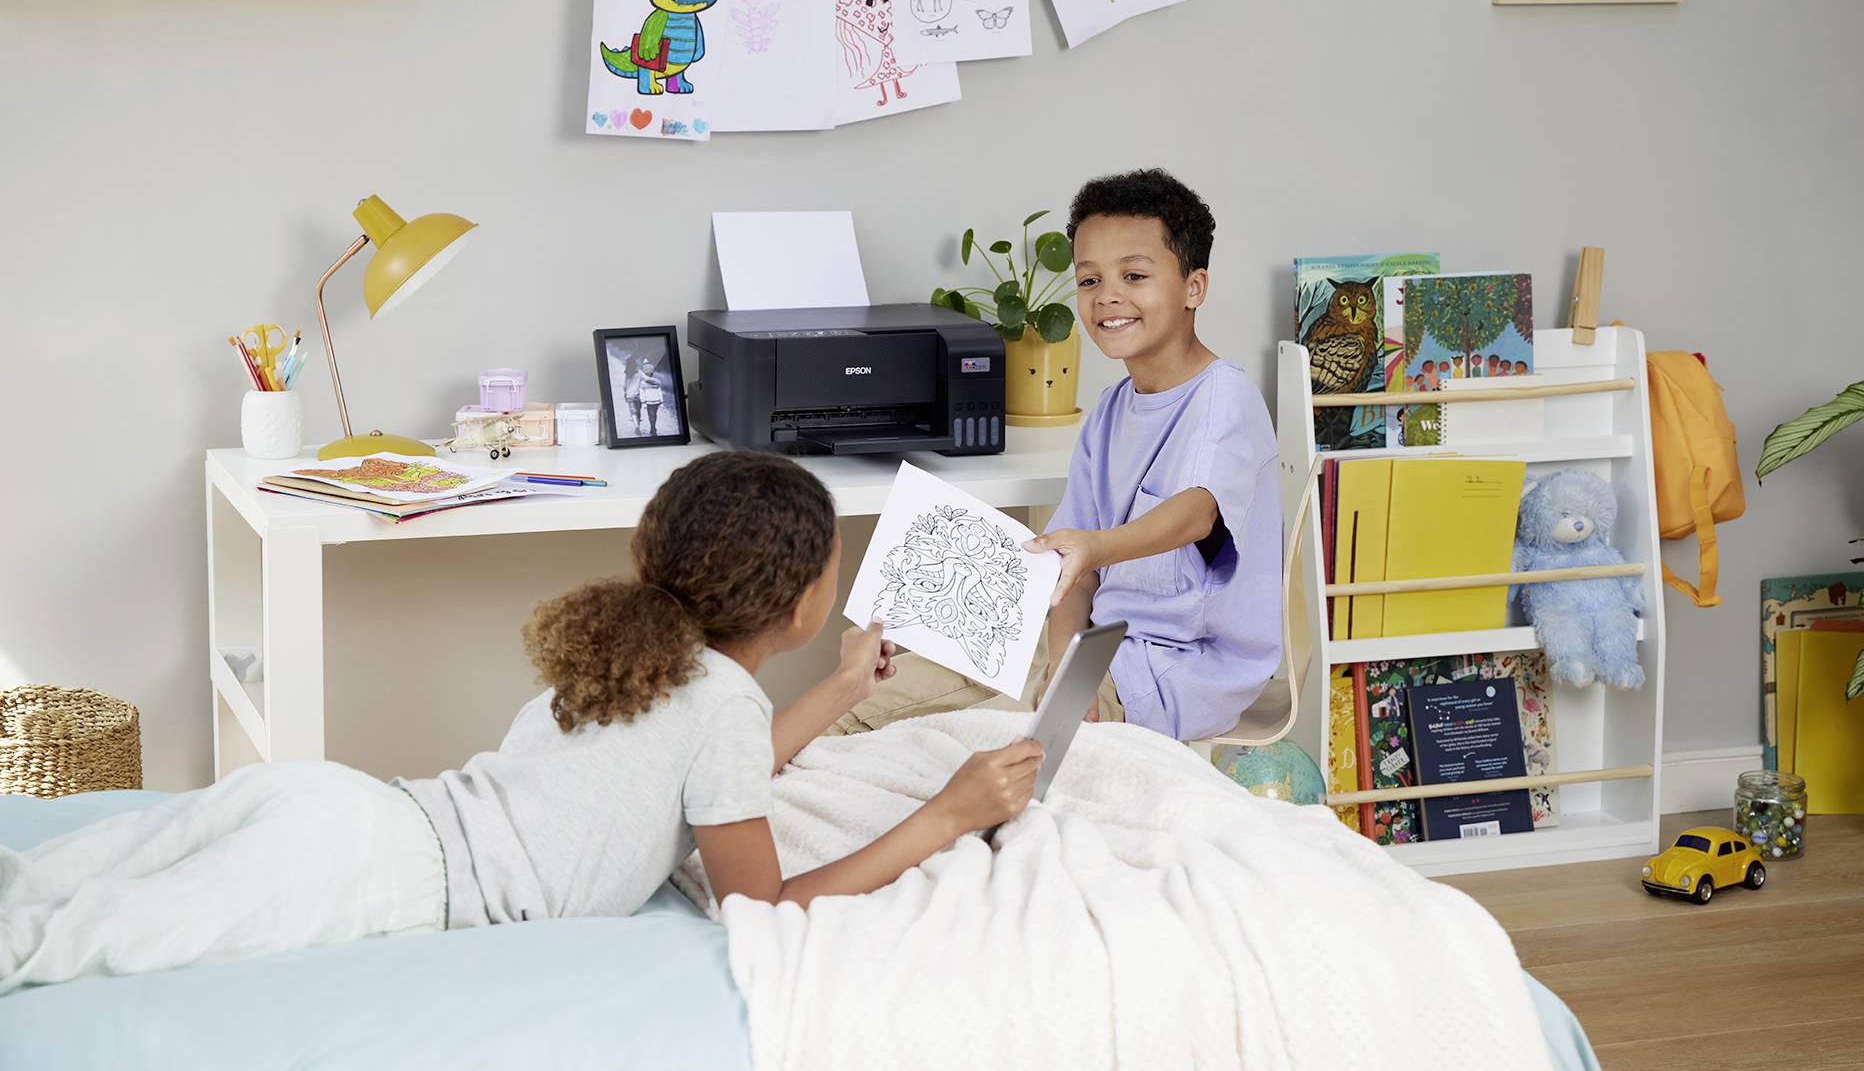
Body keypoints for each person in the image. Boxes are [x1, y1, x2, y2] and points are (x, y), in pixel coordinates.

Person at [0, 452, 1041, 993]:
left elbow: (714, 780)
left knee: (60, 883)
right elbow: (760, 902)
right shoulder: (721, 701)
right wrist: (945, 817)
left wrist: (848, 690)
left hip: (342, 809)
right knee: (65, 943)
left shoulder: (653, 656)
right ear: (808, 600)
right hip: (386, 873)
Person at [829, 168, 1281, 742]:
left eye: (1135, 275)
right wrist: (1068, 666)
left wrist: (1094, 552)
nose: (1107, 296)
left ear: (1194, 287)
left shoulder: (1225, 397)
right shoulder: (1112, 409)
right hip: (1083, 650)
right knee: (853, 704)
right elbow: (1072, 574)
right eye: (1089, 281)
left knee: (958, 748)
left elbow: (1195, 512)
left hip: (1167, 672)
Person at [625, 355, 666, 436]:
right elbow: (648, 380)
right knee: (648, 414)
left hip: (631, 396)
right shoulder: (640, 373)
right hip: (639, 397)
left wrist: (626, 393)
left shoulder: (627, 374)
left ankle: (637, 427)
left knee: (635, 412)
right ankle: (652, 428)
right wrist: (658, 382)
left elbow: (625, 385)